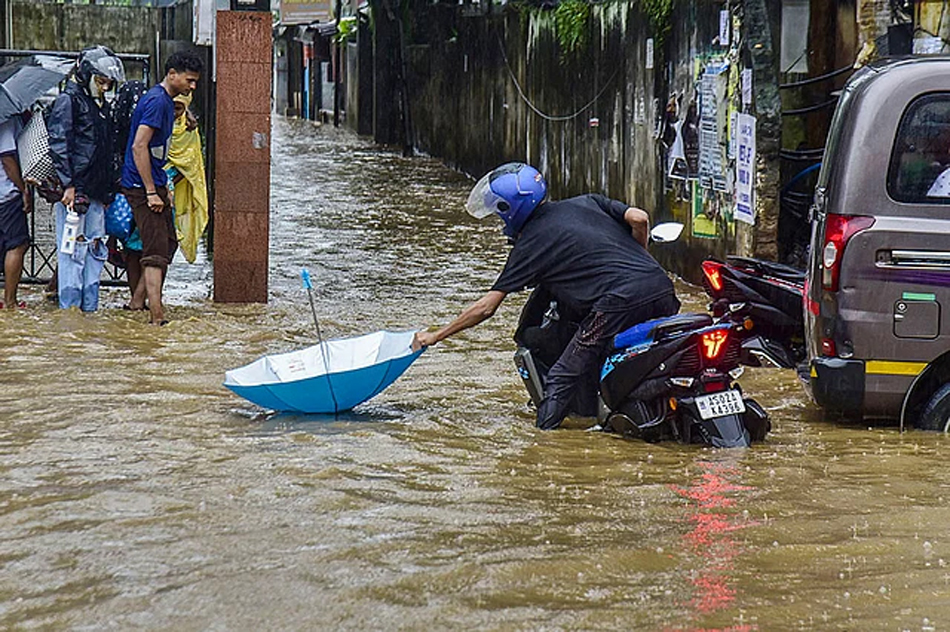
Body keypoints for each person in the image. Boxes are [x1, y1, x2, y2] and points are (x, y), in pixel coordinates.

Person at [413, 163, 680, 431]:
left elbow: (486, 308)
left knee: (562, 377)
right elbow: (640, 219)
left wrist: (435, 336)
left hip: (616, 304)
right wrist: (641, 258)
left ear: (510, 210)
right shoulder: (587, 201)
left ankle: (544, 442)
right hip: (663, 289)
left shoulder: (530, 243)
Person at [120, 50, 203, 325]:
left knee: (167, 243)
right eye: (189, 80)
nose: (192, 87)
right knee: (155, 254)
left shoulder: (167, 102)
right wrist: (150, 191)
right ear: (172, 75)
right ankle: (157, 318)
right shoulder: (157, 101)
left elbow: (157, 150)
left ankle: (136, 302)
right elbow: (139, 146)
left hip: (155, 183)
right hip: (143, 186)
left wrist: (162, 187)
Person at [47, 45, 126, 311]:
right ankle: (70, 311)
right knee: (71, 253)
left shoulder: (99, 105)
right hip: (75, 193)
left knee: (95, 250)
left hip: (96, 192)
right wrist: (68, 184)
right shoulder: (68, 101)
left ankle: (89, 308)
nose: (105, 87)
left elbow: (105, 147)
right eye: (100, 81)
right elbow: (60, 144)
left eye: (108, 83)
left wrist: (107, 191)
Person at [165, 92, 208, 264]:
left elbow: (192, 164)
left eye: (178, 108)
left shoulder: (189, 131)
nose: (174, 113)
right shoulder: (157, 124)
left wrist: (170, 182)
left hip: (175, 189)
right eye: (172, 107)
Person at [0, 112, 31, 309]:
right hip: (5, 193)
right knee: (17, 245)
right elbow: (7, 160)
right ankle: (9, 300)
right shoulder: (5, 120)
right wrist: (23, 189)